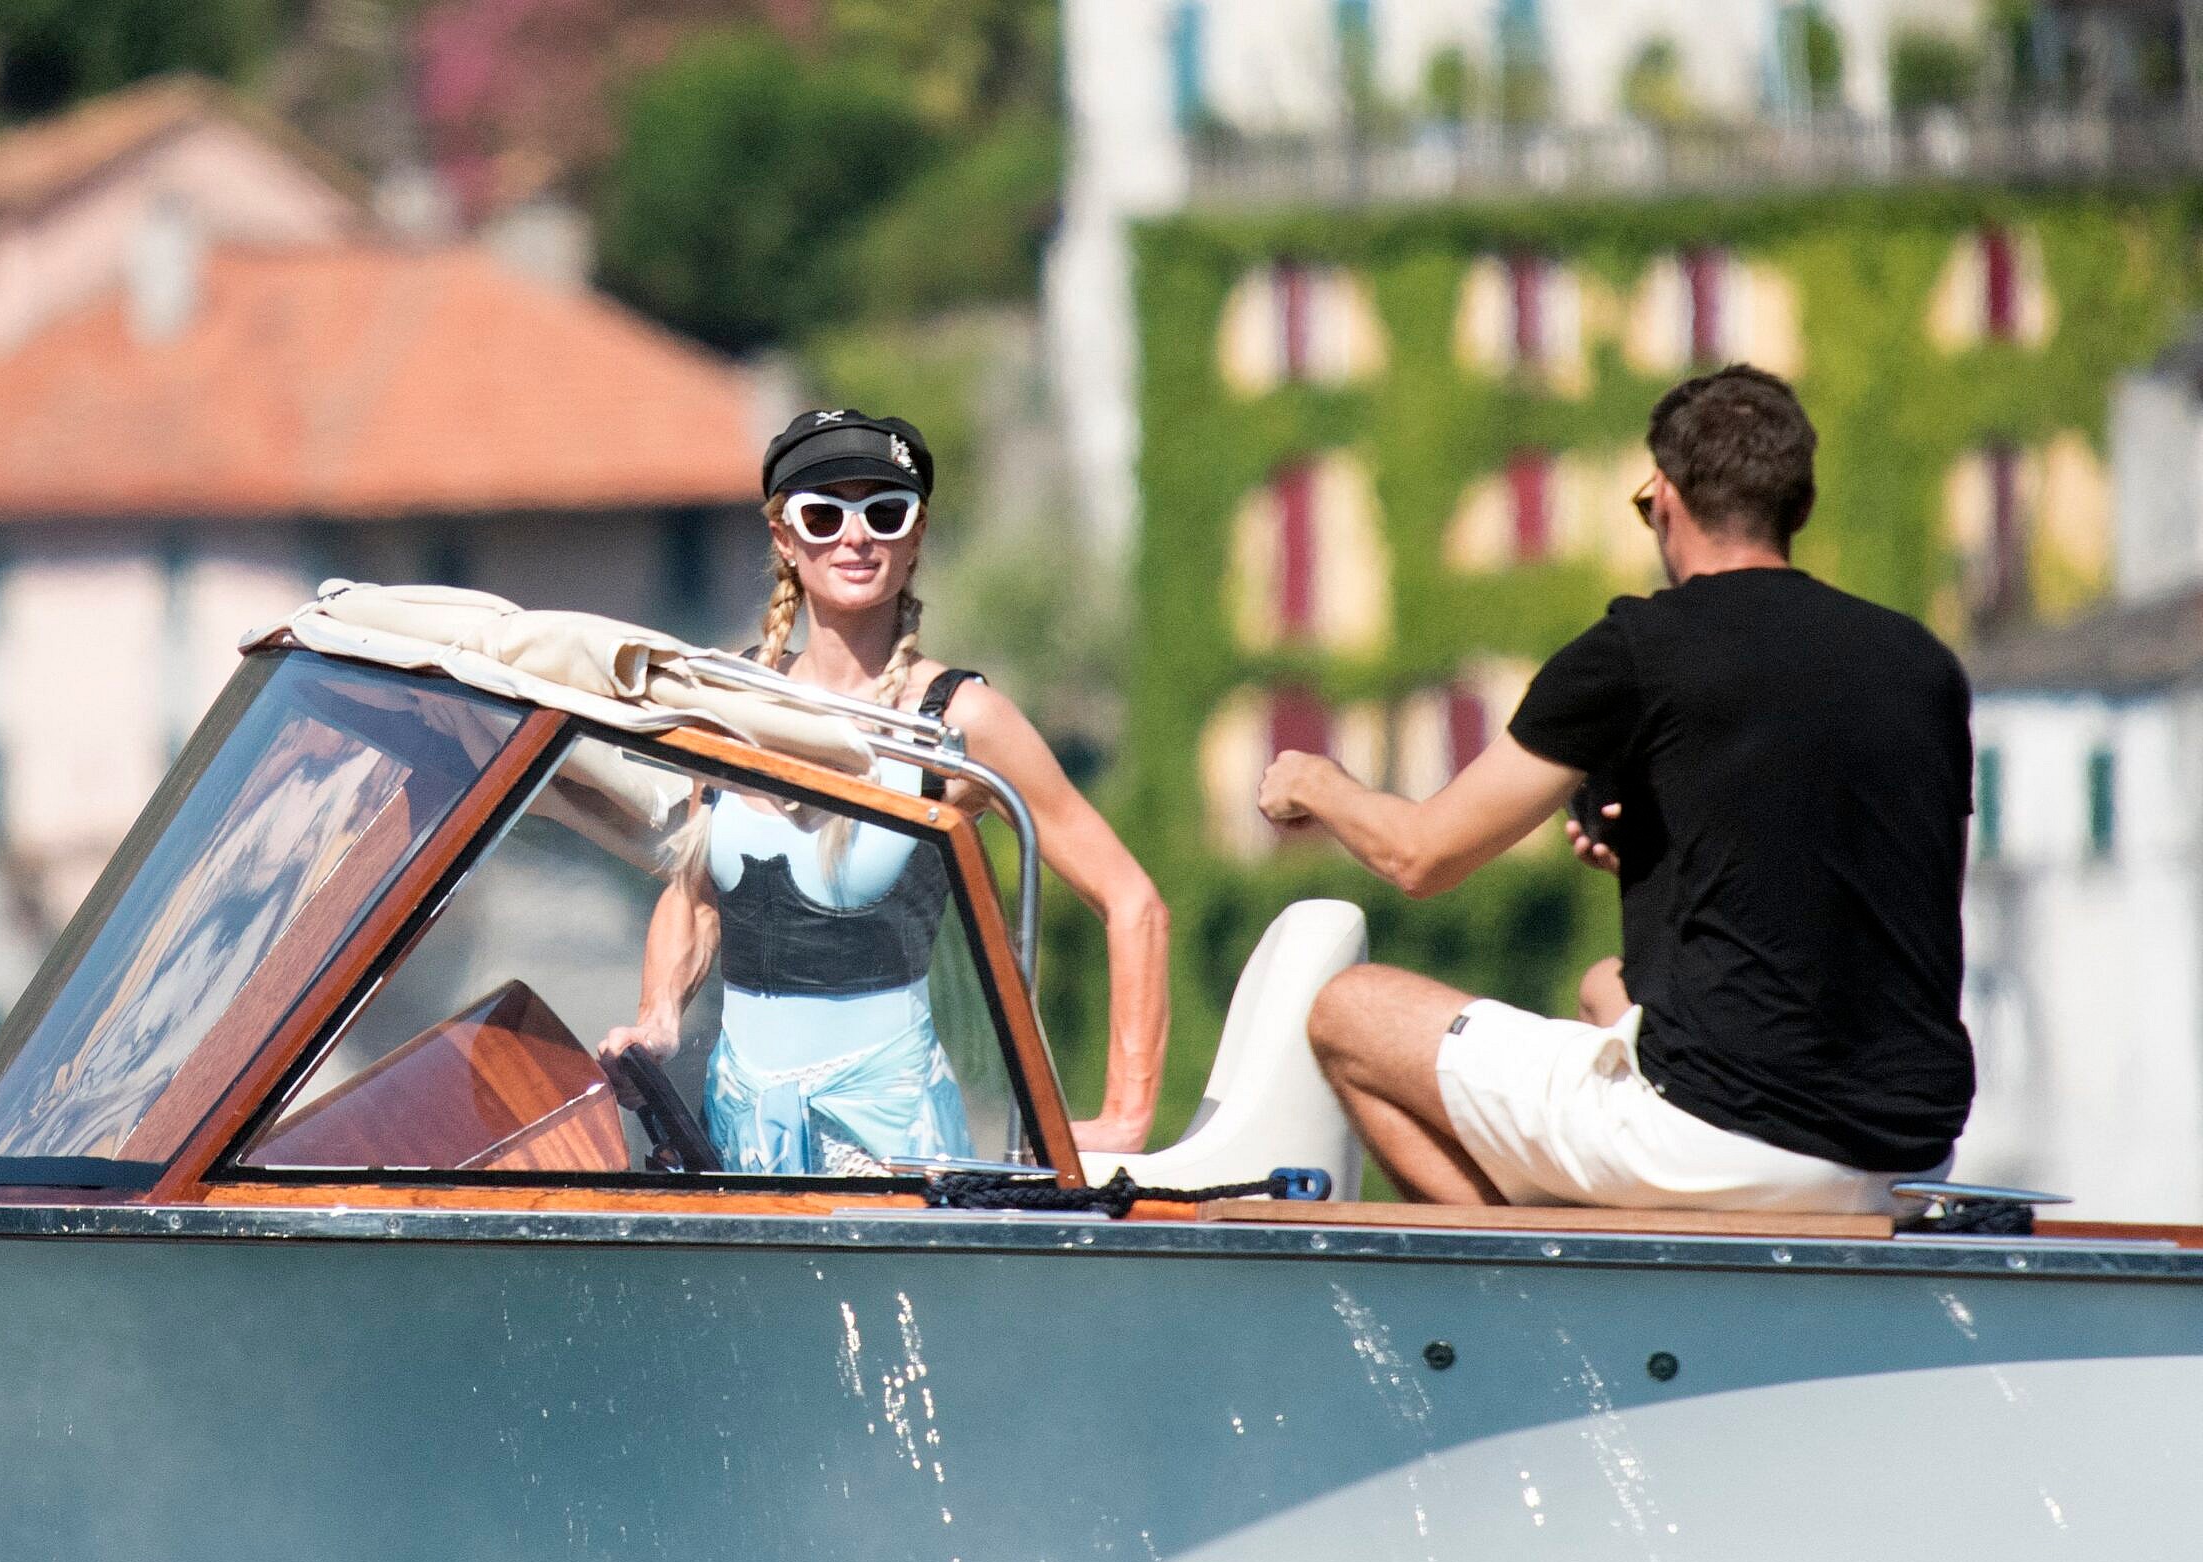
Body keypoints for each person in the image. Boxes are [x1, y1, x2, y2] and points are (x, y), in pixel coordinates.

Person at [1256, 365, 1974, 1213]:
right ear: (1799, 509)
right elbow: (1882, 898)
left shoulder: (1641, 646)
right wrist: (1666, 855)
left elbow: (1420, 855)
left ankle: (1514, 1301)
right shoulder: (1921, 665)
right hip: (1906, 1154)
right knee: (1606, 985)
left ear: (1664, 499)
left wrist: (1316, 779)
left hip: (1723, 1138)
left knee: (1350, 1013)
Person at [604, 408, 1169, 1175]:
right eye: (824, 513)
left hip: (888, 1137)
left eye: (884, 511)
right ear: (784, 539)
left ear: (916, 537)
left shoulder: (960, 720)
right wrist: (658, 1014)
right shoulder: (733, 701)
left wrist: (1125, 1120)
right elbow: (697, 895)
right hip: (738, 1124)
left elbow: (1133, 901)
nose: (856, 535)